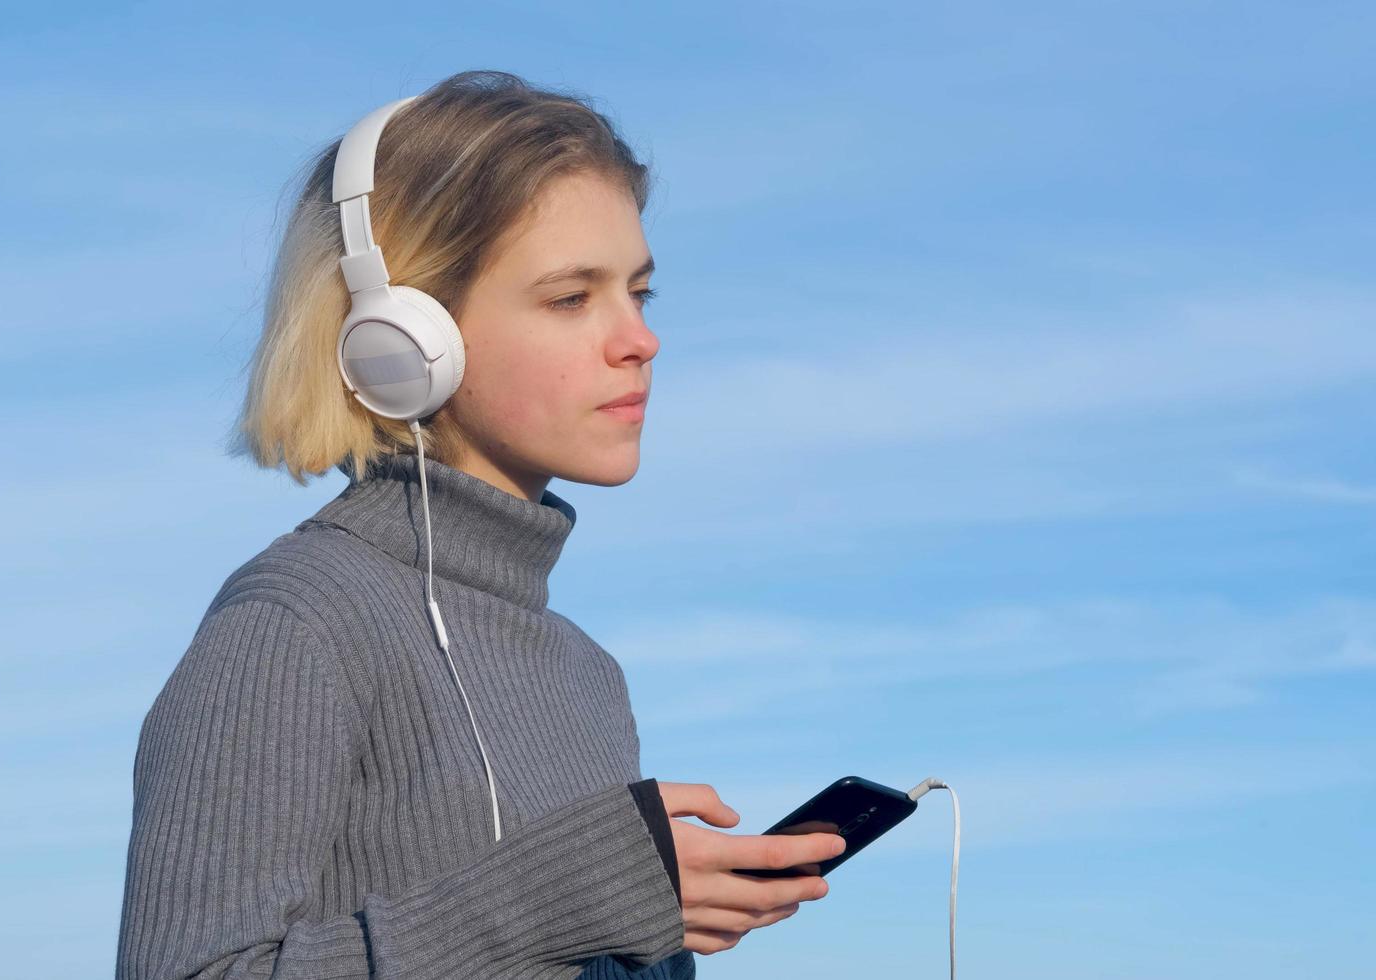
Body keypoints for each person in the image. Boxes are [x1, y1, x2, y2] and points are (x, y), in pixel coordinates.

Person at [114, 69, 844, 980]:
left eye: (639, 293)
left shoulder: (586, 672)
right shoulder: (296, 622)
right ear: (401, 339)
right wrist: (555, 900)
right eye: (571, 297)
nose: (638, 339)